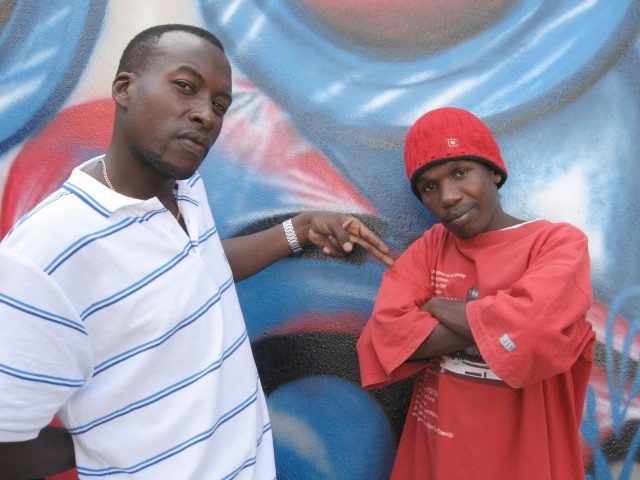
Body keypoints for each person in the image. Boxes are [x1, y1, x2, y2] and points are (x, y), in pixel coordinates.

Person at [0, 24, 394, 479]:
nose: (206, 115)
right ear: (125, 88)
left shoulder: (184, 189)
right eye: (186, 87)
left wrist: (298, 230)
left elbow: (200, 266)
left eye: (219, 105)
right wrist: (100, 444)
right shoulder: (47, 255)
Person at [356, 107, 595, 479]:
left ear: (494, 171)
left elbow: (535, 328)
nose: (448, 196)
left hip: (530, 466)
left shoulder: (556, 243)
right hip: (437, 464)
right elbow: (386, 334)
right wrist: (502, 321)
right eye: (429, 187)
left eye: (460, 172)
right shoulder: (431, 247)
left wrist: (437, 306)